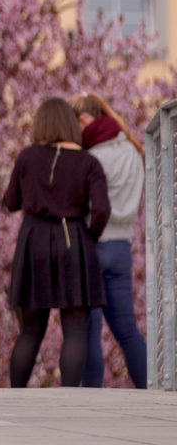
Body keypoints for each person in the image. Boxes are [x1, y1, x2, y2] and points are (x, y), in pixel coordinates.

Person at [3, 97, 110, 387]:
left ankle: (16, 395)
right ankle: (69, 398)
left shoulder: (26, 157)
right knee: (74, 329)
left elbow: (10, 202)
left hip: (33, 241)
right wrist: (88, 236)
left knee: (30, 331)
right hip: (73, 240)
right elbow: (101, 210)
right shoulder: (89, 162)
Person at [69, 92, 147, 389]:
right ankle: (149, 391)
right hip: (121, 248)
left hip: (94, 243)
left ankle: (91, 398)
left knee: (90, 328)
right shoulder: (132, 150)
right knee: (127, 329)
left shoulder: (92, 158)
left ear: (84, 120)